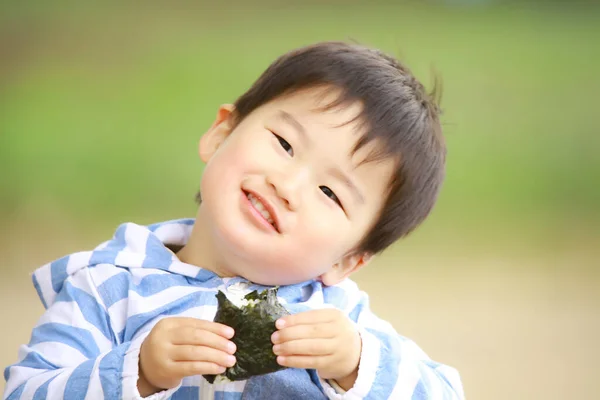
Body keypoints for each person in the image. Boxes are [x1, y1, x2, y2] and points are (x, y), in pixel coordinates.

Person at [3, 41, 464, 399]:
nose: (288, 184)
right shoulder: (109, 289)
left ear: (348, 260)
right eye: (285, 144)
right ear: (221, 132)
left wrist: (357, 363)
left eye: (329, 192)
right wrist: (138, 370)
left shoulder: (337, 319)